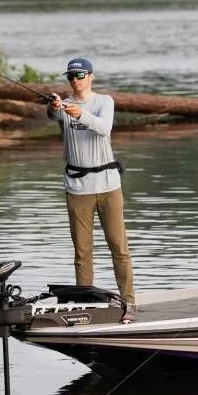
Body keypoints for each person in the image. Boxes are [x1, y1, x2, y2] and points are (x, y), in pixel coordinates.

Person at [47, 57, 136, 322]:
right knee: (82, 252)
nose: (75, 80)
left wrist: (80, 114)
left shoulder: (104, 102)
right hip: (77, 188)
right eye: (71, 76)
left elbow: (104, 128)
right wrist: (54, 106)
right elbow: (52, 114)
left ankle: (129, 302)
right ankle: (85, 305)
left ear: (90, 77)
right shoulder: (64, 106)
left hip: (108, 186)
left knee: (119, 247)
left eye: (80, 75)